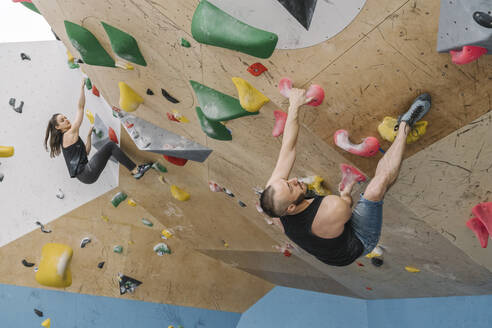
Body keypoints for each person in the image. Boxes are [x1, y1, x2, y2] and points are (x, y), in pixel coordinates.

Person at [260, 88, 431, 266]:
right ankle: (406, 124)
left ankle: (345, 188)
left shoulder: (273, 200)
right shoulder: (332, 208)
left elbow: (288, 148)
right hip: (358, 241)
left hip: (330, 235)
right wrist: (346, 195)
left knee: (338, 210)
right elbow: (345, 205)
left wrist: (294, 105)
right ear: (291, 207)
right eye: (291, 187)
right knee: (375, 190)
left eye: (286, 181)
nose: (293, 180)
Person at [44, 80, 152, 184]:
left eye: (65, 117)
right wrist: (82, 88)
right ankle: (136, 171)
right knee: (110, 146)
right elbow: (80, 108)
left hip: (86, 177)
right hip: (86, 172)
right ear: (58, 127)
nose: (67, 120)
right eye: (62, 120)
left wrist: (88, 137)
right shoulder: (68, 134)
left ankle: (135, 170)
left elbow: (86, 153)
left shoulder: (68, 141)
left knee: (109, 149)